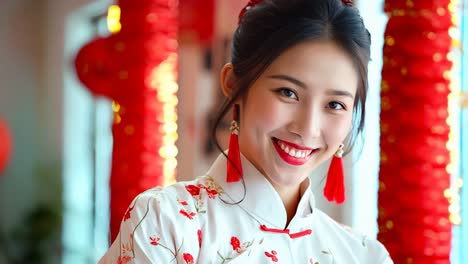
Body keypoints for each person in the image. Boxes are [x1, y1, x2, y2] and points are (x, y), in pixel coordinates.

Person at [100, 0, 393, 263]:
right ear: (234, 84)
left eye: (334, 104)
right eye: (288, 92)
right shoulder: (167, 222)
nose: (307, 128)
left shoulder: (364, 254)